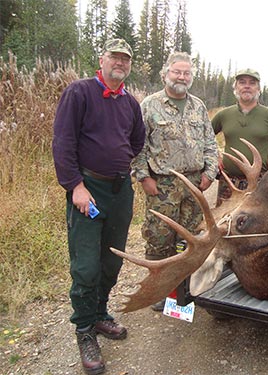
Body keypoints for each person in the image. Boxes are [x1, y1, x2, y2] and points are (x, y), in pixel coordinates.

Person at [52, 39, 145, 375]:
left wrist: (117, 162)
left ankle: (101, 313)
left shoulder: (130, 103)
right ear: (102, 59)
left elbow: (137, 140)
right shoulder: (79, 93)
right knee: (86, 265)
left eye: (126, 59)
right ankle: (84, 330)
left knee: (112, 260)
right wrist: (75, 185)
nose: (120, 63)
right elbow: (62, 141)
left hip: (121, 191)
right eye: (115, 57)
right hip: (87, 191)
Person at [131, 52, 218, 310]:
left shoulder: (198, 106)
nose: (181, 77)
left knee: (191, 238)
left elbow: (211, 144)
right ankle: (159, 291)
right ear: (165, 73)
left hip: (194, 184)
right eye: (177, 72)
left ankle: (185, 289)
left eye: (186, 73)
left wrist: (209, 173)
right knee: (159, 237)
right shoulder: (149, 105)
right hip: (163, 184)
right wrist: (144, 177)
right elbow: (138, 146)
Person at [211, 68, 268, 206]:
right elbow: (204, 137)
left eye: (252, 83)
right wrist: (214, 155)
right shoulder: (224, 115)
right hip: (228, 183)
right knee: (223, 222)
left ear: (258, 88)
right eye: (242, 82)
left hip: (258, 184)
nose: (247, 86)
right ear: (236, 87)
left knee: (255, 224)